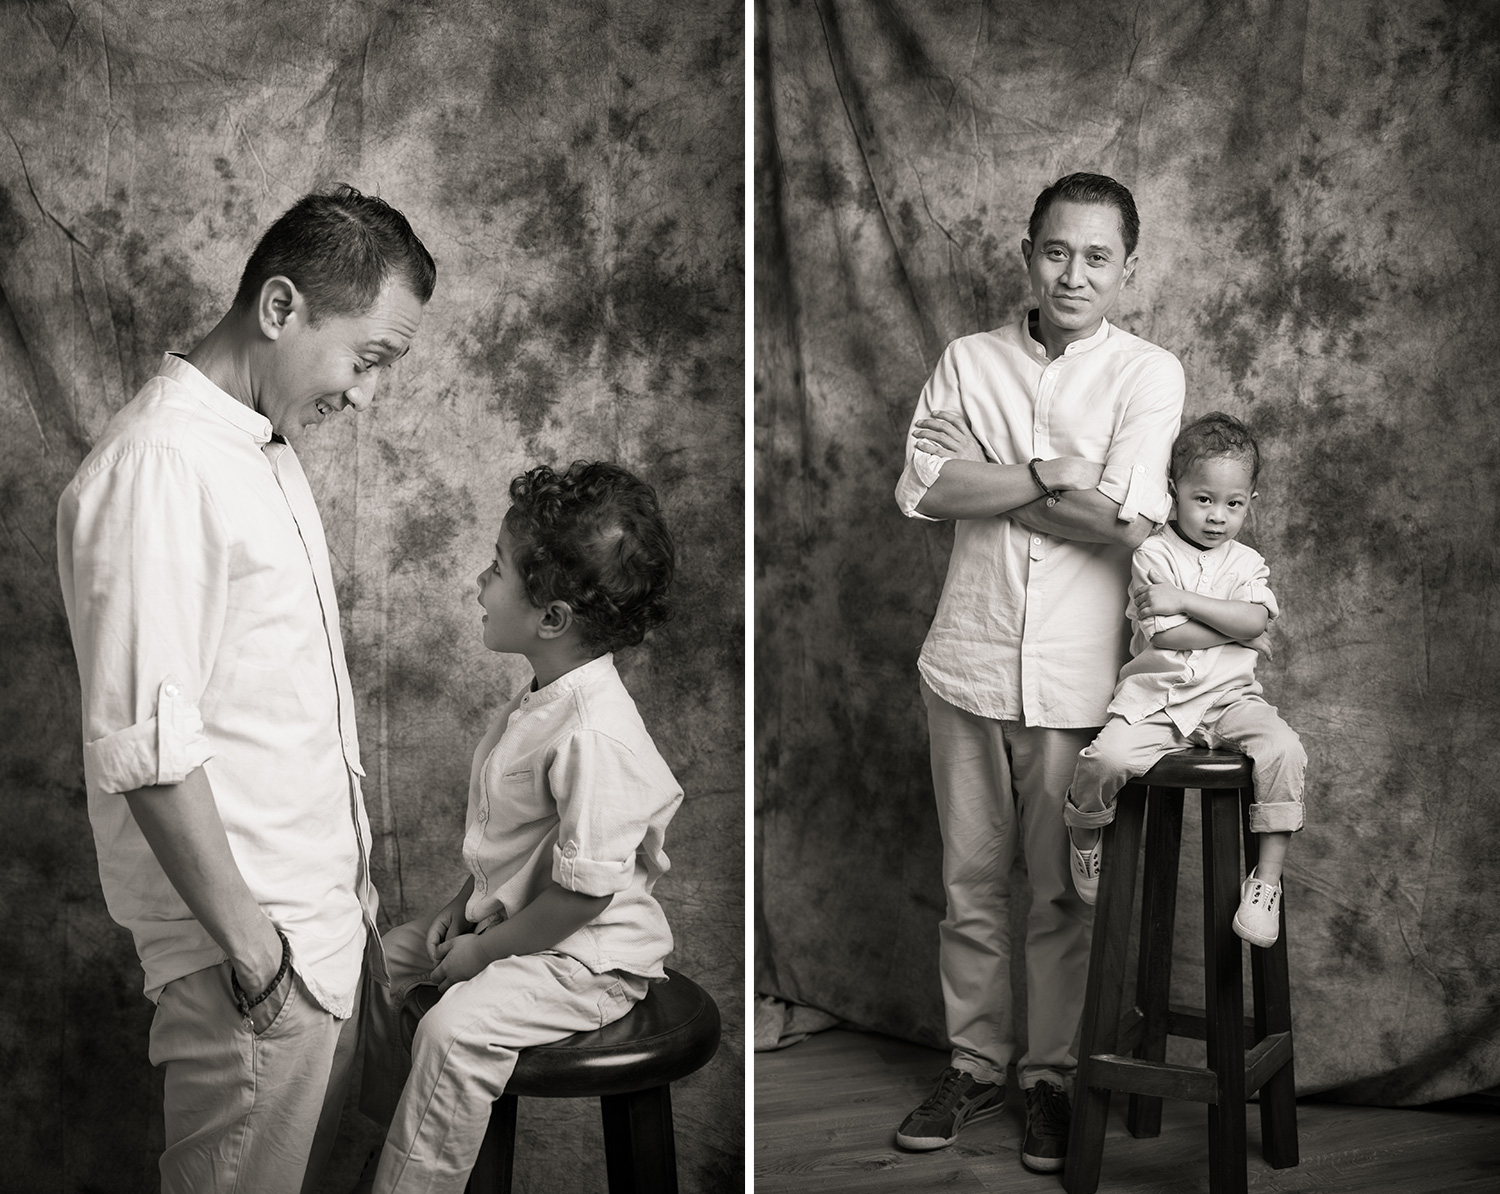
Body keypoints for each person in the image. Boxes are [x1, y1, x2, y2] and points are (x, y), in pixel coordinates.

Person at [56, 185, 436, 1193]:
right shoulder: (158, 466)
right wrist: (260, 957)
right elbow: (147, 750)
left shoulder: (254, 445)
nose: (366, 396)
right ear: (279, 308)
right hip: (255, 972)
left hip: (315, 950)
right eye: (367, 359)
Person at [893, 173, 1184, 1173]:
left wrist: (990, 476)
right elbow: (920, 490)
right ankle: (974, 1067)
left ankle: (1050, 1081)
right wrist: (1052, 474)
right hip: (965, 663)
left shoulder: (1148, 375)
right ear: (1028, 254)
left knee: (1062, 896)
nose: (1074, 273)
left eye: (1097, 257)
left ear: (1128, 269)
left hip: (1076, 682)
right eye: (1057, 251)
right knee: (969, 885)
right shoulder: (967, 360)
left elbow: (1129, 524)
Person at [357, 460, 683, 1194]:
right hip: (521, 924)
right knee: (380, 964)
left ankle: (412, 1181)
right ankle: (395, 1130)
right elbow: (515, 848)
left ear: (551, 618)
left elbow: (583, 898)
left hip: (586, 957)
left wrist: (482, 952)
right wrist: (461, 907)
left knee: (452, 1032)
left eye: (497, 568)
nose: (479, 581)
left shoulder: (594, 732)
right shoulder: (545, 697)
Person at [1065, 412, 1305, 946]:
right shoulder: (1152, 553)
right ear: (1174, 491)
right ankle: (1084, 832)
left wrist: (1187, 601)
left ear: (1251, 502)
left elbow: (1255, 620)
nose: (1218, 516)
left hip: (1231, 701)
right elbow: (1168, 636)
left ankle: (1266, 881)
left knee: (1284, 749)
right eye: (1204, 499)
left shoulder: (1248, 562)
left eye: (1234, 504)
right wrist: (1240, 631)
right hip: (1159, 701)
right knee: (1106, 758)